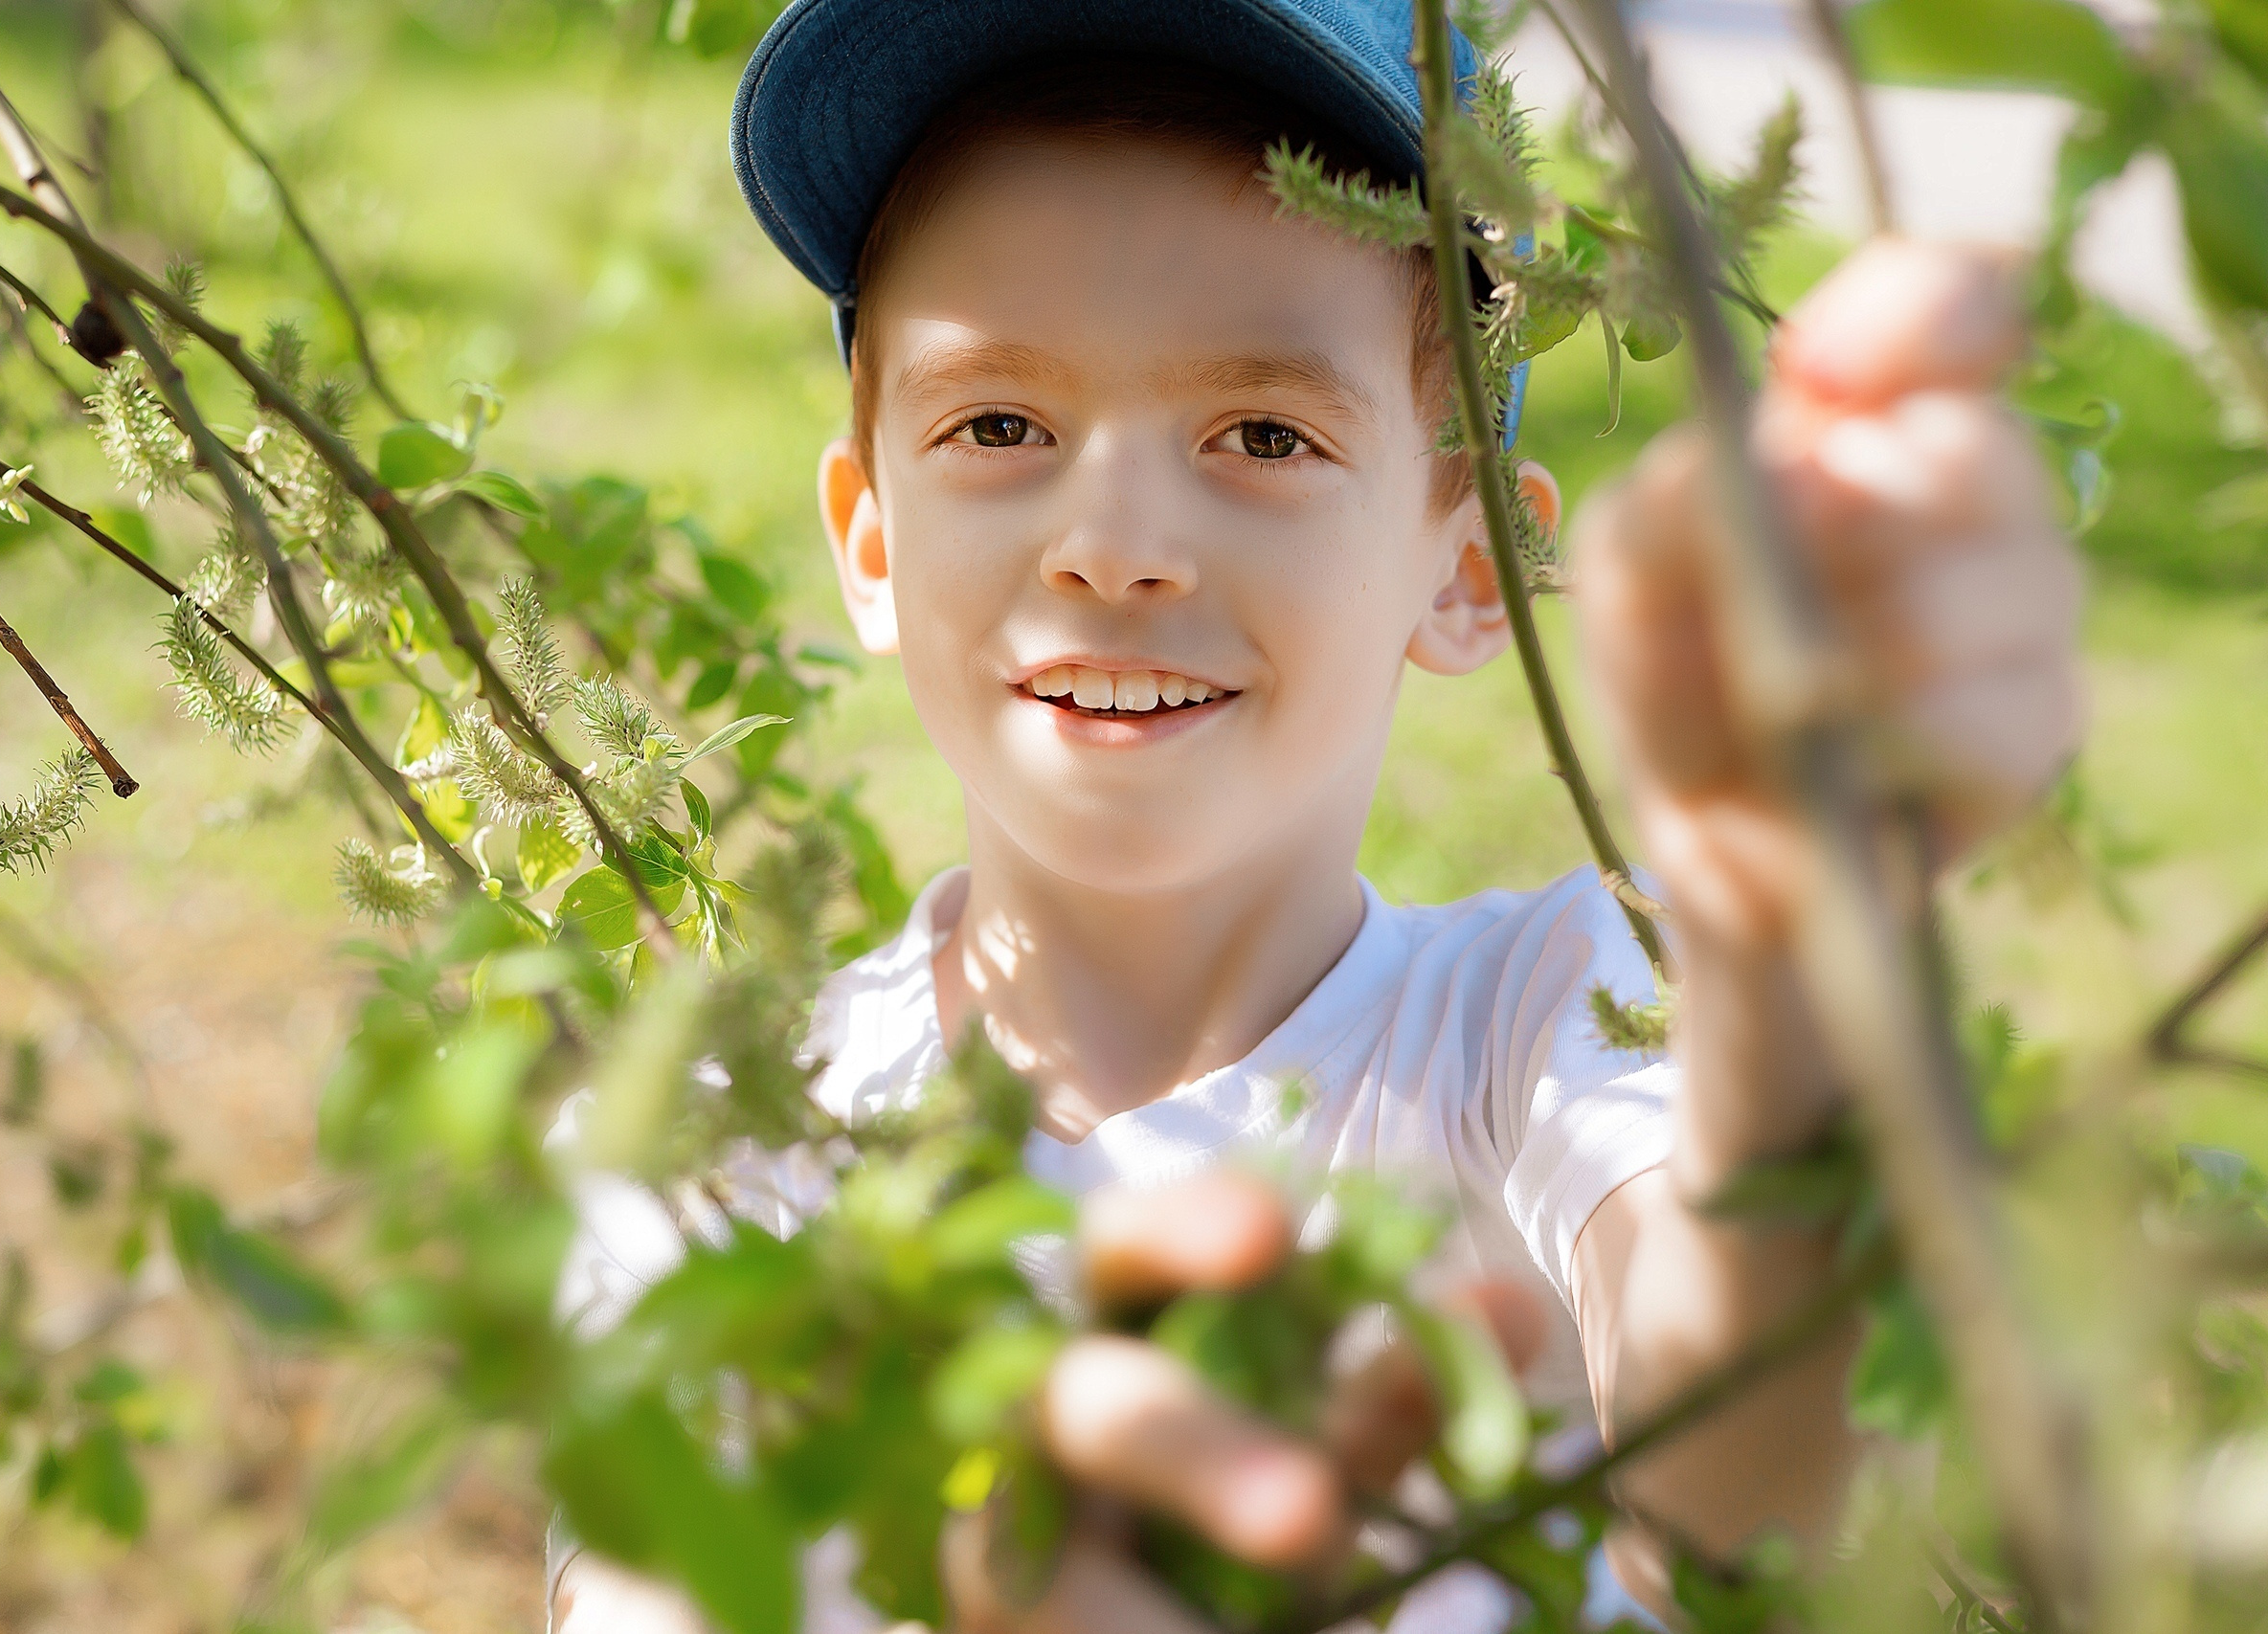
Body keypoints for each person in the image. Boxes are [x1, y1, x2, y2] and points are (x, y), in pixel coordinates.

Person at [550, 2, 2085, 1627]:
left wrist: (1795, 933)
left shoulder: (1561, 1021)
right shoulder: (716, 1137)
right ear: (870, 539)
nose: (1116, 543)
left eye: (1265, 434)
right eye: (999, 424)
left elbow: (1753, 1489)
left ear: (1472, 563)